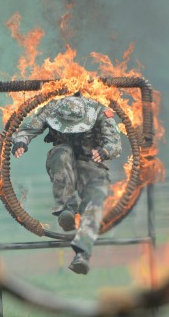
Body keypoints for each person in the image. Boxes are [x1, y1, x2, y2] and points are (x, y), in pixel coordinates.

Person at [11, 92, 122, 275]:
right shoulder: (51, 108)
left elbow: (115, 143)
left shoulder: (100, 112)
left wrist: (105, 151)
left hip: (93, 165)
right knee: (61, 152)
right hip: (64, 163)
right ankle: (66, 210)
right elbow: (29, 128)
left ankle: (82, 253)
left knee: (95, 200)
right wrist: (21, 142)